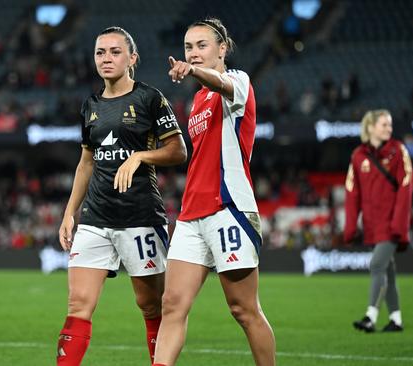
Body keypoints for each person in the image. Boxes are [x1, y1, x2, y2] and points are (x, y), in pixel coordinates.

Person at [56, 26, 187, 365]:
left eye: (115, 52)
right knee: (78, 304)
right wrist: (71, 211)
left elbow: (178, 150)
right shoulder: (90, 106)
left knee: (150, 305)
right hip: (96, 219)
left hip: (140, 218)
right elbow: (86, 162)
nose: (106, 58)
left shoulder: (149, 99)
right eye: (100, 52)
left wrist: (141, 156)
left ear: (133, 58)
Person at [152, 18, 275, 366]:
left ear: (222, 49)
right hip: (191, 216)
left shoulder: (238, 83)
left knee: (244, 309)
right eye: (188, 47)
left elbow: (220, 82)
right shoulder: (196, 101)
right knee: (172, 304)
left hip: (229, 211)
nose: (193, 53)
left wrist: (192, 71)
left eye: (201, 45)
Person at [344, 109, 413, 333]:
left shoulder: (398, 150)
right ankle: (396, 320)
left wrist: (399, 223)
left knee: (376, 266)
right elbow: (351, 193)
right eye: (384, 124)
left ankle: (370, 317)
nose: (389, 129)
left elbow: (406, 187)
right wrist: (351, 226)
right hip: (372, 225)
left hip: (392, 224)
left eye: (390, 125)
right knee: (388, 272)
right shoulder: (358, 156)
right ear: (371, 127)